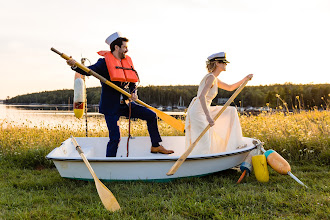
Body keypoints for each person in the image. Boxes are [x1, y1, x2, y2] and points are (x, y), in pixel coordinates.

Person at [66, 32, 174, 157]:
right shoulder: (104, 62)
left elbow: (133, 81)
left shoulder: (126, 63)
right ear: (116, 47)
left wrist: (134, 93)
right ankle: (109, 164)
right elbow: (88, 71)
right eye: (125, 47)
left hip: (125, 104)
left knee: (151, 115)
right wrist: (74, 66)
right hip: (110, 107)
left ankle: (156, 146)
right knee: (115, 138)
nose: (127, 50)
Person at [185, 52, 253, 155]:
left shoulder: (215, 79)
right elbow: (201, 97)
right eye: (224, 63)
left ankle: (235, 143)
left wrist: (245, 79)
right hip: (198, 112)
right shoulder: (211, 77)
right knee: (204, 143)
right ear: (217, 63)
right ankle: (199, 162)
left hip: (205, 109)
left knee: (231, 110)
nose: (226, 65)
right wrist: (208, 117)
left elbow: (230, 87)